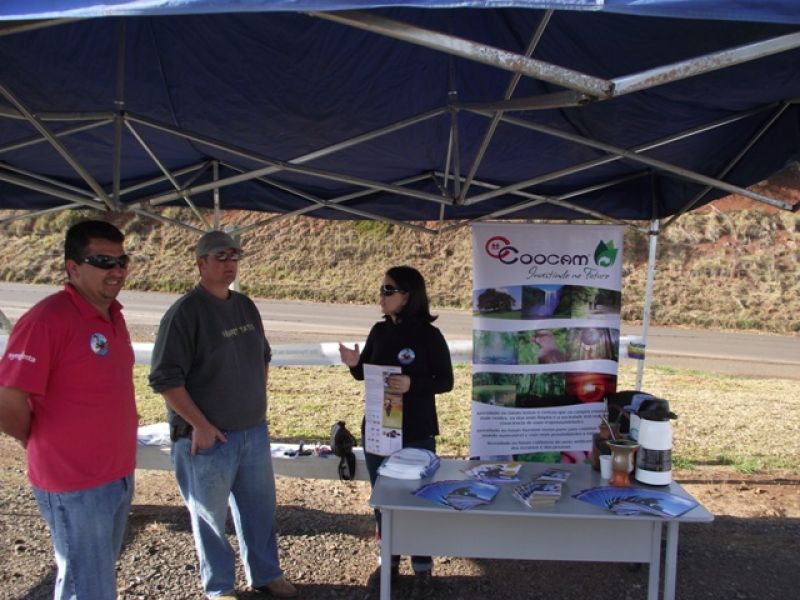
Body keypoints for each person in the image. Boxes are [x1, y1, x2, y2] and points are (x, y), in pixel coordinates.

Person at [148, 230, 297, 600]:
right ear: (201, 263)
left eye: (233, 257)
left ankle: (265, 574)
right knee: (210, 520)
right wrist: (199, 424)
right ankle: (219, 588)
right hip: (208, 439)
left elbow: (262, 356)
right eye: (220, 257)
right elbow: (165, 379)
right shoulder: (185, 313)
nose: (229, 264)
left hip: (252, 432)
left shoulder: (245, 306)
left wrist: (253, 401)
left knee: (260, 511)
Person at [0, 220, 138, 600]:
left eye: (121, 261)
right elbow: (7, 400)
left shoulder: (114, 315)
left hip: (116, 475)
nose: (116, 271)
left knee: (95, 580)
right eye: (103, 261)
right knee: (86, 588)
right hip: (73, 483)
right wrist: (44, 441)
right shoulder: (46, 320)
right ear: (72, 267)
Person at [339, 265, 453, 600]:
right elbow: (365, 375)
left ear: (408, 296)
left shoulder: (430, 336)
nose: (382, 296)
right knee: (383, 501)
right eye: (382, 289)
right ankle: (388, 561)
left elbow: (446, 382)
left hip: (415, 431)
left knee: (416, 500)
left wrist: (412, 384)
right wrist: (353, 363)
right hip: (378, 429)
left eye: (389, 290)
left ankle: (422, 567)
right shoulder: (378, 330)